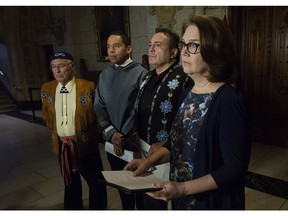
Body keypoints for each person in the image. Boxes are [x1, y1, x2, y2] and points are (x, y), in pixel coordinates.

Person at [124, 14, 251, 210]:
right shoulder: (187, 94)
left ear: (215, 49)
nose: (184, 52)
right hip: (183, 198)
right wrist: (148, 162)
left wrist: (182, 188)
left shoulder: (229, 100)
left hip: (211, 202)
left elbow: (234, 169)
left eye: (193, 45)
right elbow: (177, 145)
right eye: (184, 44)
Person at [134, 27, 192, 210]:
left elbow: (187, 120)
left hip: (167, 153)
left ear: (174, 52)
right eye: (150, 45)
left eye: (158, 45)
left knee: (158, 198)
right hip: (141, 148)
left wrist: (167, 142)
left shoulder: (184, 78)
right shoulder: (147, 77)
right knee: (143, 196)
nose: (151, 49)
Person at [41, 51, 107, 210]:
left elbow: (97, 115)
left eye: (61, 66)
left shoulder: (87, 86)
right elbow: (46, 115)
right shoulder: (47, 89)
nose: (57, 71)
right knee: (70, 182)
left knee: (96, 182)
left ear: (72, 67)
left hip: (85, 146)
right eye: (53, 67)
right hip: (62, 147)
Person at [94, 31, 148, 210]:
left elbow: (139, 109)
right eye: (108, 47)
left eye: (116, 46)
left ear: (129, 48)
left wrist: (123, 135)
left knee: (139, 187)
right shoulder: (104, 75)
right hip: (113, 143)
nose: (111, 51)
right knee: (122, 186)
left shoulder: (141, 73)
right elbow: (99, 105)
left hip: (133, 142)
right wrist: (111, 134)